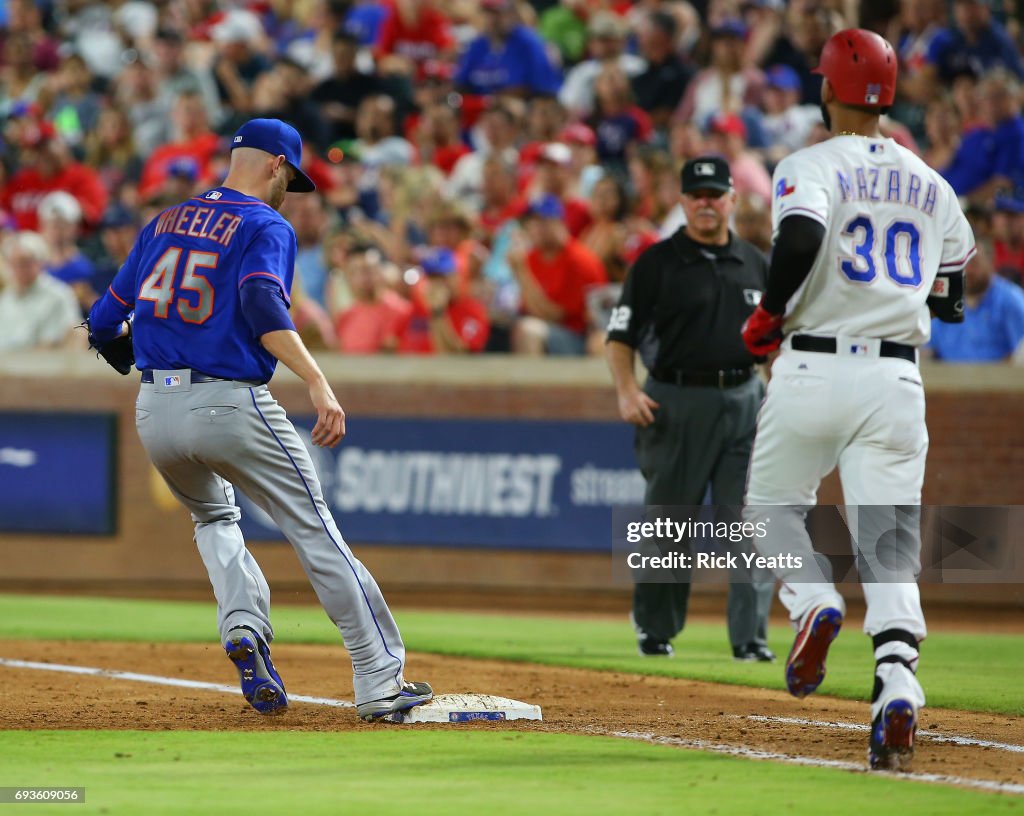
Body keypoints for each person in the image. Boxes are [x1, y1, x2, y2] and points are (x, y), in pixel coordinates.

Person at [85, 118, 433, 722]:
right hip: (229, 400)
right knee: (312, 526)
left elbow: (101, 322)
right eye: (290, 177)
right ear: (275, 163)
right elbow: (261, 304)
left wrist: (147, 363)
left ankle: (244, 626)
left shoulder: (163, 222)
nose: (288, 190)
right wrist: (318, 379)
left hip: (155, 409)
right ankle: (379, 678)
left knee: (214, 518)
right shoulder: (266, 223)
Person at [740, 30, 976, 771]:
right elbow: (954, 292)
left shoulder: (809, 162)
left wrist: (770, 311)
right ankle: (896, 682)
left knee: (767, 510)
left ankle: (813, 603)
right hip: (896, 378)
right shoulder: (932, 182)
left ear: (827, 89)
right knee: (889, 545)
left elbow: (803, 235)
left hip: (814, 362)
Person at [605, 156, 776, 662]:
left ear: (732, 200)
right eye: (696, 195)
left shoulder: (755, 262)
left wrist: (779, 395)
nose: (706, 203)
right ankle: (655, 629)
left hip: (746, 397)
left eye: (714, 194)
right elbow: (620, 335)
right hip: (675, 399)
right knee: (670, 526)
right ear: (682, 203)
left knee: (747, 522)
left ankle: (751, 637)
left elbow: (775, 341)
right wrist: (626, 391)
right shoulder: (656, 262)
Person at [929, 237, 1024, 362]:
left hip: (997, 380)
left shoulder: (1011, 300)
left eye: (974, 262)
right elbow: (927, 352)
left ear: (991, 262)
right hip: (948, 379)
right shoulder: (943, 300)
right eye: (960, 263)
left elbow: (1019, 356)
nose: (967, 270)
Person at [0, 230, 82, 352]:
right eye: (13, 263)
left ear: (40, 262)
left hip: (43, 366)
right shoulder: (6, 298)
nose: (18, 269)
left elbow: (61, 342)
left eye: (24, 262)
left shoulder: (59, 294)